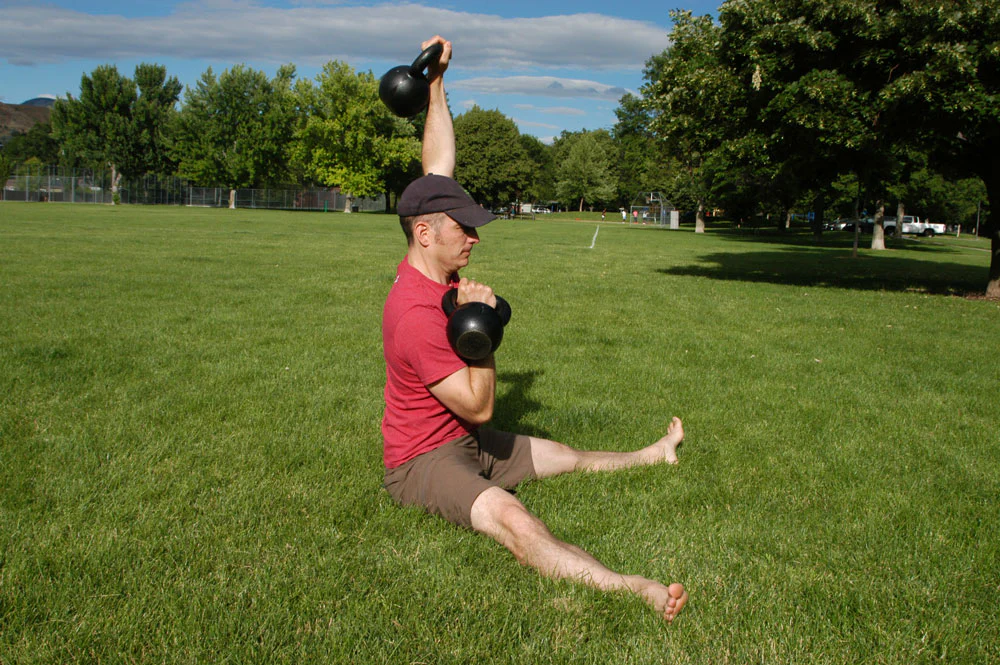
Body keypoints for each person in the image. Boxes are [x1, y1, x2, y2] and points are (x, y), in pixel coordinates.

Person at [381, 35, 688, 623]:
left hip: (466, 443)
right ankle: (634, 589)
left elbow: (436, 166)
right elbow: (478, 407)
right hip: (426, 461)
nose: (475, 238)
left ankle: (652, 454)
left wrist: (437, 83)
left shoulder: (432, 258)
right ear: (425, 234)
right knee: (517, 522)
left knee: (565, 455)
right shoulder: (418, 315)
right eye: (463, 230)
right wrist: (480, 332)